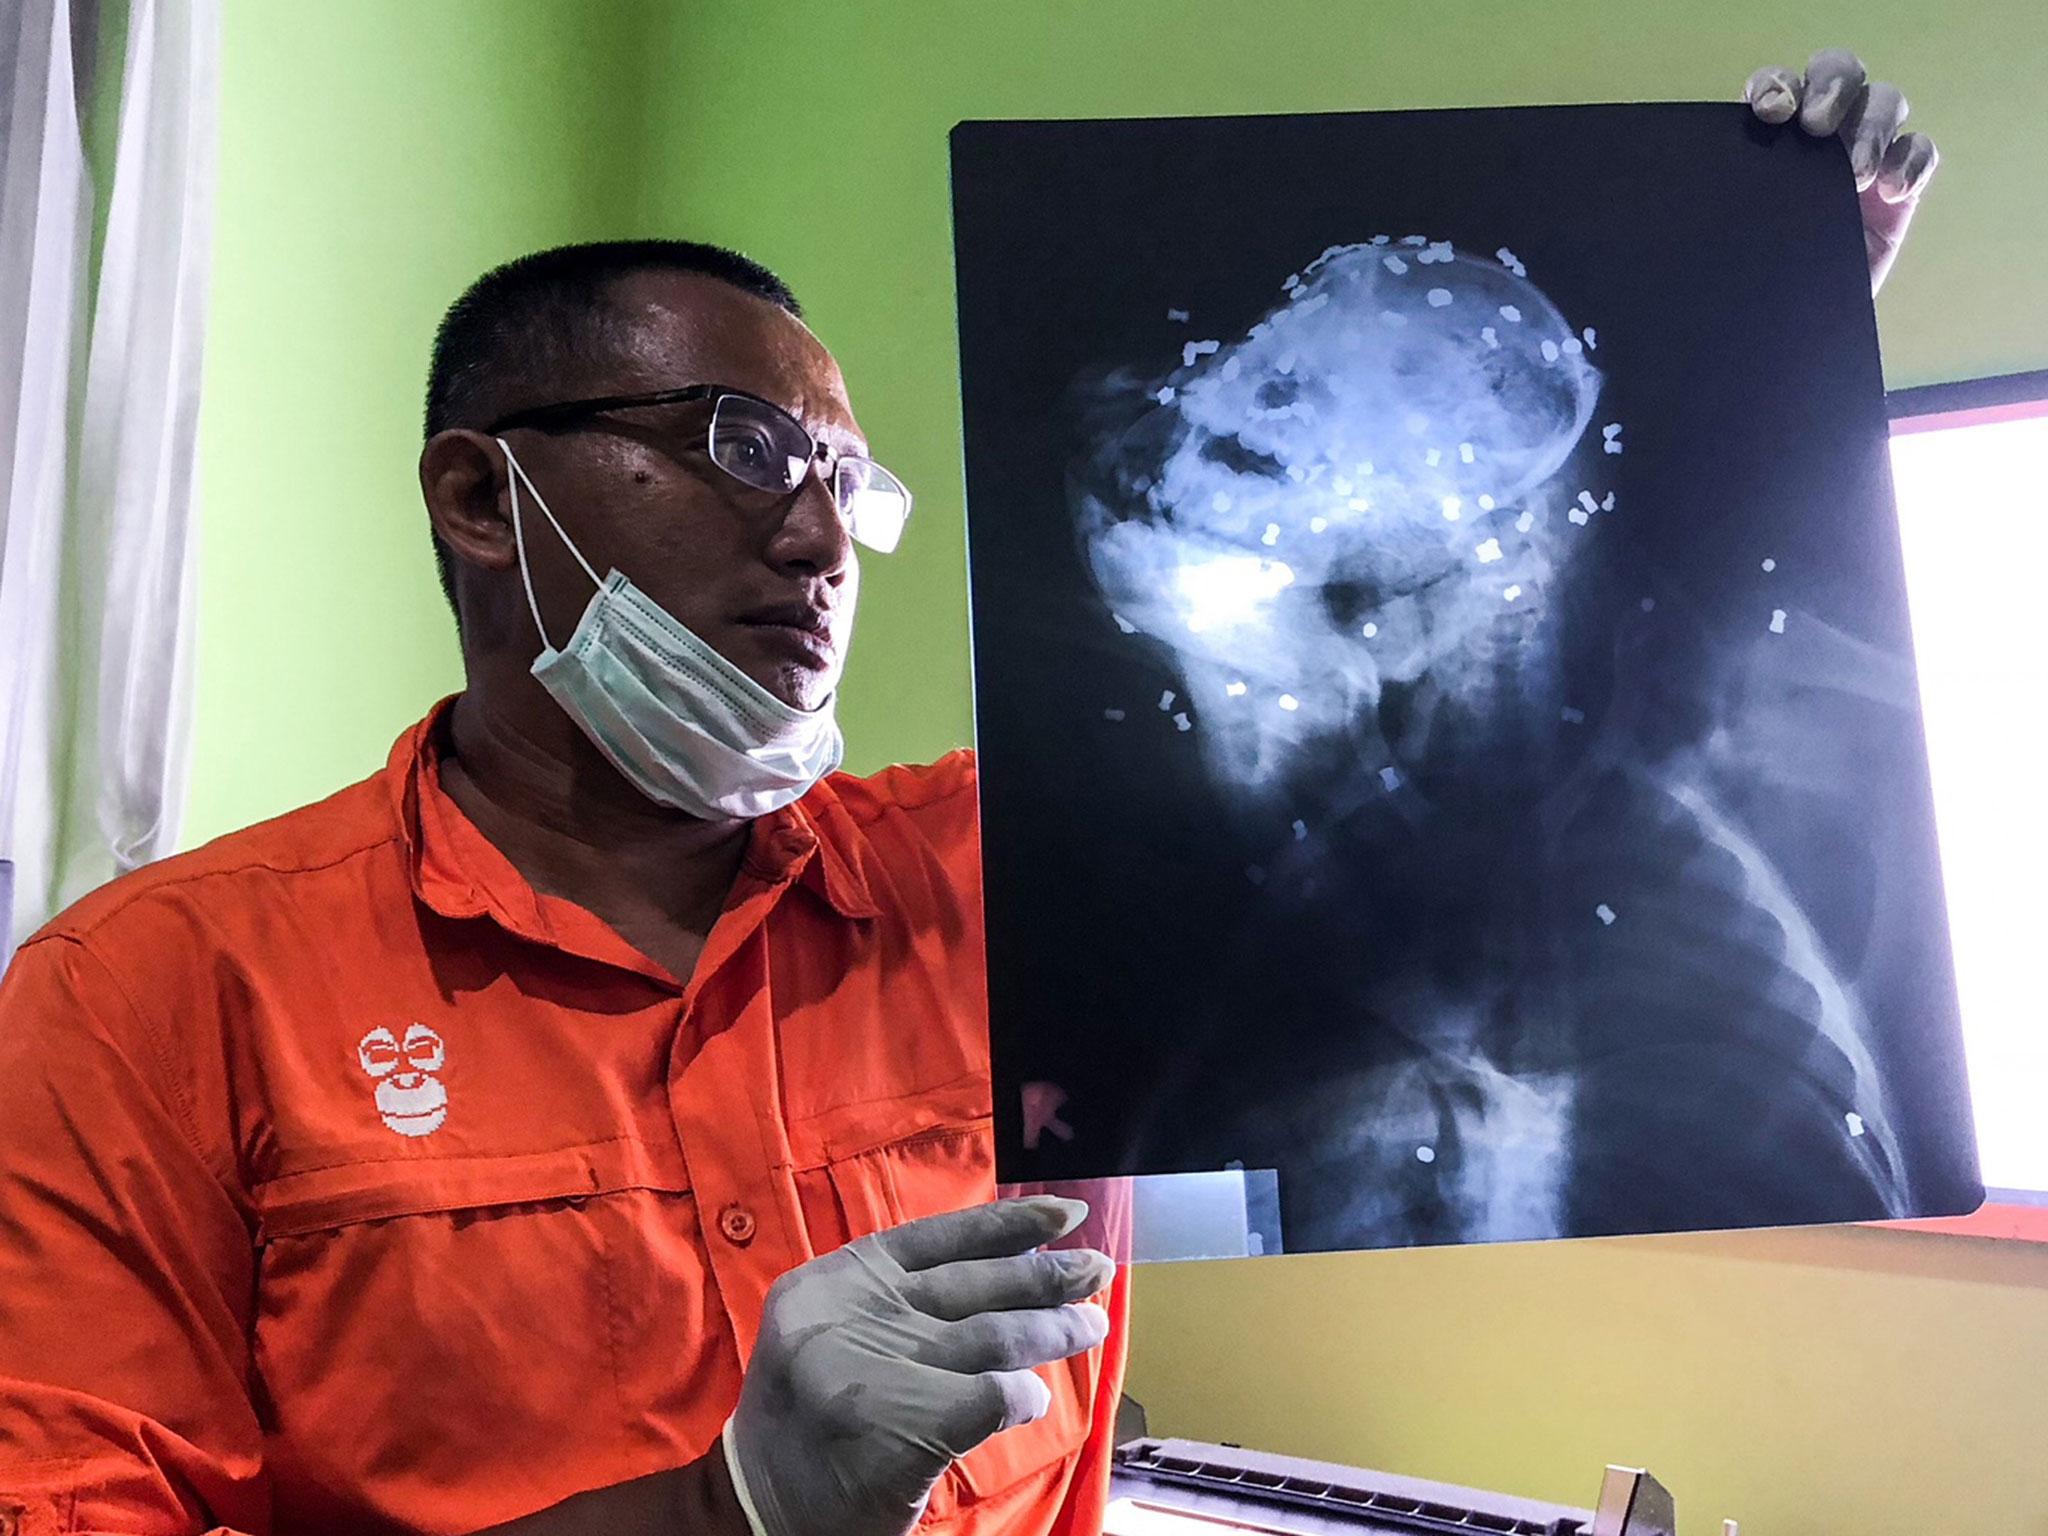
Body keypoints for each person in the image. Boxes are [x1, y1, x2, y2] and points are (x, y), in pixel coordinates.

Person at [0, 49, 1936, 1536]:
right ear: (474, 494)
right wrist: (725, 1507)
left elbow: (1462, 871)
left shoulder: (999, 877)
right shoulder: (153, 994)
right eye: (737, 444)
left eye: (851, 486)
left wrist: (1748, 327)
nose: (817, 539)